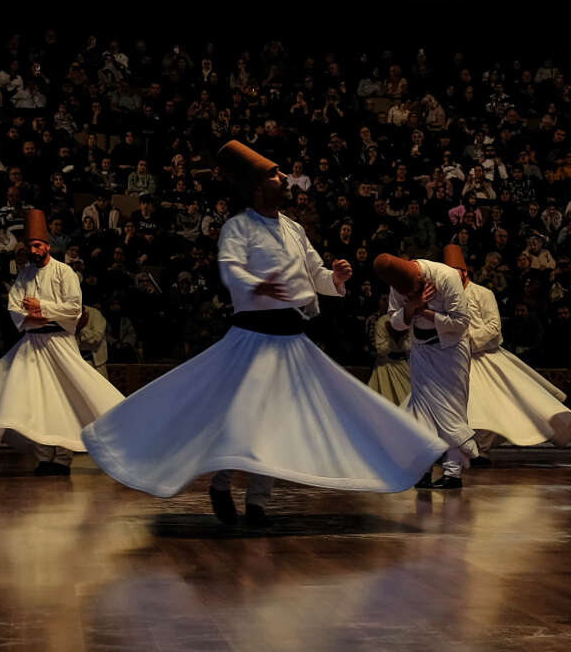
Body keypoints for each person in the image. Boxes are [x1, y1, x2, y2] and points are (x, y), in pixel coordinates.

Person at [82, 142, 446, 526]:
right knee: (241, 416)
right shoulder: (239, 227)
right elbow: (230, 268)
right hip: (252, 338)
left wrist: (334, 279)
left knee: (275, 421)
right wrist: (258, 285)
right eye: (275, 174)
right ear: (257, 187)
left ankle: (257, 502)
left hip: (291, 341)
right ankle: (221, 483)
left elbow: (315, 274)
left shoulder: (293, 228)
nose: (284, 178)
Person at [0, 210, 125, 475]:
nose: (33, 250)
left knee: (64, 398)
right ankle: (44, 456)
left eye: (37, 245)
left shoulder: (64, 272)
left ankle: (62, 459)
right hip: (33, 344)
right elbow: (14, 306)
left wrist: (41, 307)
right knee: (34, 400)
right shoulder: (24, 275)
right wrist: (32, 316)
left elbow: (74, 309)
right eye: (29, 246)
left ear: (47, 246)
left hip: (59, 343)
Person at [442, 245, 571, 464]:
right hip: (455, 359)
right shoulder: (446, 297)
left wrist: (467, 341)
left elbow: (494, 327)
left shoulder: (483, 293)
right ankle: (458, 449)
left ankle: (480, 451)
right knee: (454, 407)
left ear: (464, 272)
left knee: (487, 407)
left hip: (484, 358)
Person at [375, 252, 476, 489]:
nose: (407, 295)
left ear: (419, 275)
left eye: (411, 291)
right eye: (405, 294)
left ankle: (453, 474)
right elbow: (395, 322)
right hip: (421, 350)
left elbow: (461, 322)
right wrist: (411, 307)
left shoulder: (447, 277)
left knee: (452, 410)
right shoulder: (398, 285)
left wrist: (423, 311)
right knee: (422, 411)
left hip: (451, 351)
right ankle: (424, 469)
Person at [367, 308, 411, 406]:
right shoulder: (382, 321)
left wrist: (399, 337)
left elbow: (410, 346)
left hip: (403, 364)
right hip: (385, 366)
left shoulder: (408, 320)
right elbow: (381, 349)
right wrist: (393, 339)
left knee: (407, 399)